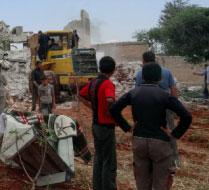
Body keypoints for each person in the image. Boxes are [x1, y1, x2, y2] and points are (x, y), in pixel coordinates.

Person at [110, 62, 192, 190]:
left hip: (139, 140)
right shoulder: (165, 95)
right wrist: (175, 133)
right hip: (160, 142)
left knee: (142, 180)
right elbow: (186, 116)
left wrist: (127, 127)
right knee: (161, 181)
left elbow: (114, 109)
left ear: (142, 77)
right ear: (160, 78)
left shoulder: (133, 93)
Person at [135, 51, 180, 168]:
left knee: (150, 132)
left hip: (147, 108)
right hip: (166, 106)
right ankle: (174, 160)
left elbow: (137, 92)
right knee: (169, 131)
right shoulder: (167, 71)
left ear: (144, 61)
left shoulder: (140, 74)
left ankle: (151, 160)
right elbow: (173, 90)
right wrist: (175, 108)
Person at [79, 56, 117, 190]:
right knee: (109, 161)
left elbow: (81, 94)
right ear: (113, 70)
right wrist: (108, 112)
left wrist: (93, 107)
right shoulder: (108, 84)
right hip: (106, 127)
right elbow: (110, 100)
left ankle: (97, 186)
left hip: (95, 125)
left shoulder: (93, 83)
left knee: (98, 158)